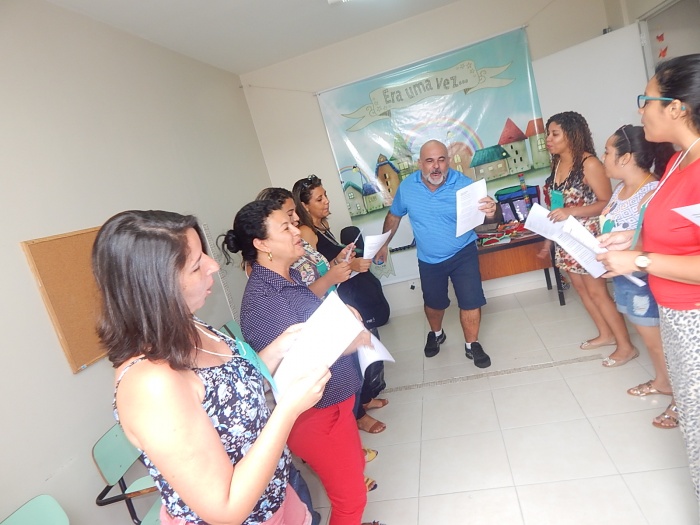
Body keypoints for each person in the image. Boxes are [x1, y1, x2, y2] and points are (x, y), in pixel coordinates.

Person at [93, 209, 331, 525]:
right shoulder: (151, 384)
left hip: (276, 494)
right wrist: (288, 409)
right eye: (196, 265)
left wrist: (281, 345)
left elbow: (230, 389)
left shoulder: (188, 324)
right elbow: (225, 509)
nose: (213, 265)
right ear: (155, 288)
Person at [221, 200, 382, 525]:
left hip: (337, 405)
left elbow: (308, 327)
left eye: (293, 224)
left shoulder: (290, 277)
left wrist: (344, 317)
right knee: (351, 500)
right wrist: (348, 342)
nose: (297, 231)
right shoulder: (262, 300)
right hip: (316, 417)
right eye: (286, 227)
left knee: (354, 480)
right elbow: (292, 367)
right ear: (262, 244)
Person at [597, 54, 700, 504]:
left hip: (694, 318)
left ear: (676, 108)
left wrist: (640, 260)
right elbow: (674, 230)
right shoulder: (677, 161)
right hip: (674, 312)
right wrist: (631, 238)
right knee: (693, 420)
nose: (640, 109)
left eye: (647, 99)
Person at [373, 139, 499, 367]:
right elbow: (394, 216)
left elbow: (487, 221)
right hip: (429, 259)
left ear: (448, 161)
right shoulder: (408, 187)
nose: (436, 166)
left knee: (471, 301)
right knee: (434, 304)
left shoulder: (464, 185)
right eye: (430, 161)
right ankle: (437, 333)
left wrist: (491, 211)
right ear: (420, 163)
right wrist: (383, 244)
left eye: (441, 160)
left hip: (463, 252)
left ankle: (472, 344)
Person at [293, 175, 390, 434]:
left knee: (365, 346)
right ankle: (358, 414)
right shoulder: (306, 233)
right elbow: (312, 272)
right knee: (353, 356)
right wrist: (348, 264)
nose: (326, 201)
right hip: (331, 299)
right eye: (319, 199)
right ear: (304, 206)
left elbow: (324, 262)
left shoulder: (322, 226)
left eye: (325, 195)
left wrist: (342, 257)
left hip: (342, 293)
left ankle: (365, 399)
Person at [541, 111, 638, 366]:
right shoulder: (557, 164)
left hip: (587, 236)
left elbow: (606, 202)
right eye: (548, 134)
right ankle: (605, 334)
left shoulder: (590, 164)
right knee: (581, 289)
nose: (548, 139)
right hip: (565, 238)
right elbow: (558, 203)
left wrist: (571, 212)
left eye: (555, 134)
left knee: (598, 293)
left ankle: (626, 346)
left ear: (572, 135)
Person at [599, 125, 677, 426]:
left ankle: (679, 396)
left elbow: (656, 241)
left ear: (626, 157)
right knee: (649, 339)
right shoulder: (620, 190)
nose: (603, 157)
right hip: (625, 276)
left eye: (607, 152)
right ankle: (662, 381)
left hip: (643, 279)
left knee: (657, 342)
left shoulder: (652, 192)